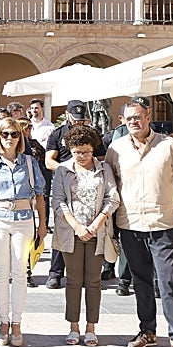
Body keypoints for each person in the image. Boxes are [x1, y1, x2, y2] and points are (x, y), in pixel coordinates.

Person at [107, 100, 173, 347]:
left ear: (148, 116)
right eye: (129, 119)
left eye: (138, 117)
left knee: (168, 280)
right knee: (140, 282)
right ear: (122, 120)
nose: (134, 122)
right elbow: (111, 186)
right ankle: (147, 331)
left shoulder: (169, 145)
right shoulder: (116, 149)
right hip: (130, 225)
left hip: (163, 224)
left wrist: (168, 207)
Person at [51, 124, 119, 346]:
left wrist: (97, 224)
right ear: (70, 149)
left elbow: (113, 198)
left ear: (93, 149)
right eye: (77, 152)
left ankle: (91, 328)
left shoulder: (104, 169)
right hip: (72, 233)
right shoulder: (63, 170)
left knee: (94, 281)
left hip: (97, 233)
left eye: (87, 152)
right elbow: (58, 201)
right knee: (72, 281)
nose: (82, 156)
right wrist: (77, 227)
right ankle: (73, 327)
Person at [0, 116, 46, 347]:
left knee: (20, 271)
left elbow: (39, 193)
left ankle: (17, 323)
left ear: (20, 137)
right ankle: (3, 322)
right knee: (1, 273)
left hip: (23, 219)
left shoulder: (29, 162)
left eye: (14, 134)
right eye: (5, 134)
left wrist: (42, 224)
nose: (10, 138)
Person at [43, 100, 106, 290]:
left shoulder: (93, 134)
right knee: (63, 228)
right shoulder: (57, 134)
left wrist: (85, 168)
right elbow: (48, 161)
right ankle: (55, 273)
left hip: (89, 184)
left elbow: (101, 159)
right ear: (67, 114)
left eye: (82, 120)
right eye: (76, 119)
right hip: (65, 182)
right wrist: (70, 169)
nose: (79, 123)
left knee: (88, 228)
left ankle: (90, 274)